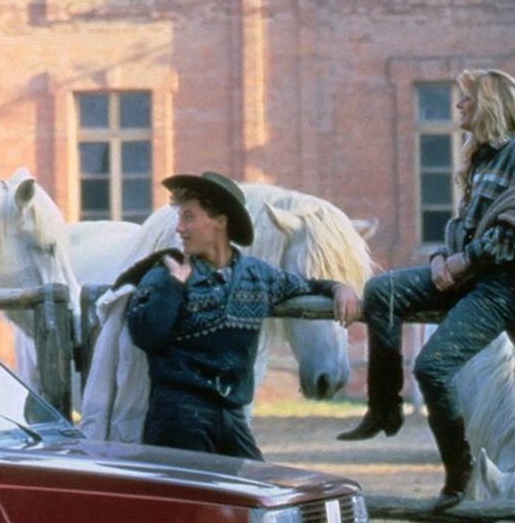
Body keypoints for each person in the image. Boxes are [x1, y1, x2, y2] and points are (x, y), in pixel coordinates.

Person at [338, 68, 515, 508]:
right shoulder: (479, 157)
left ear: (492, 105)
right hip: (465, 273)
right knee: (381, 291)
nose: (459, 105)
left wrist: (464, 261)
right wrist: (443, 258)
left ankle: (460, 473)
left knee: (433, 366)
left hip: (501, 285)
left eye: (467, 98)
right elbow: (463, 224)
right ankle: (384, 408)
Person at [125, 170, 361, 460]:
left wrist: (338, 287)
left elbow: (307, 283)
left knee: (254, 481)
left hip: (231, 417)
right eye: (180, 218)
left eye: (189, 217)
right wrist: (173, 286)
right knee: (194, 488)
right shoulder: (165, 273)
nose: (179, 228)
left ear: (220, 222)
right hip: (179, 418)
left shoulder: (258, 275)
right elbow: (145, 335)